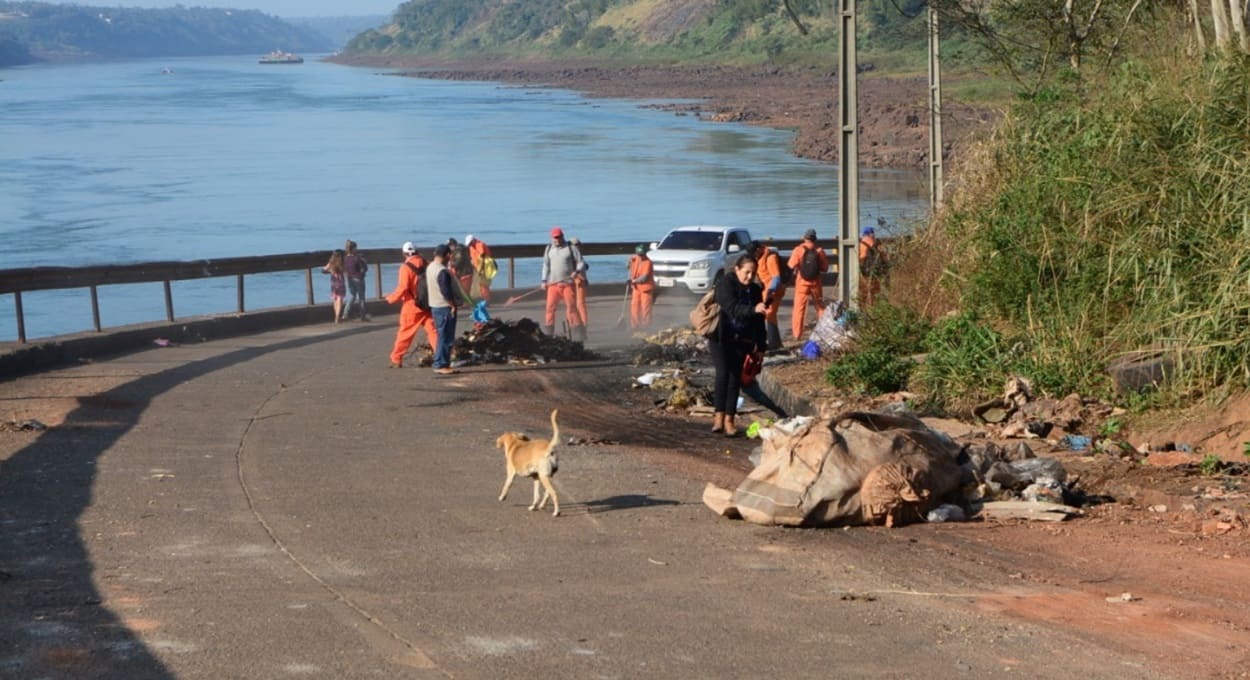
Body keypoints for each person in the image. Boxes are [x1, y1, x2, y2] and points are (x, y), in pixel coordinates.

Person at [710, 253, 767, 437]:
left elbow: (760, 321)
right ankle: (718, 416)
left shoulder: (755, 290)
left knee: (735, 378)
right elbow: (732, 308)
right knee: (722, 374)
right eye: (746, 272)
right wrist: (753, 309)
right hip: (721, 337)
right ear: (737, 269)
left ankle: (729, 419)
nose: (749, 277)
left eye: (753, 273)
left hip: (742, 339)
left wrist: (761, 346)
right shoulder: (725, 285)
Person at [385, 241, 437, 368]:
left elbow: (403, 288)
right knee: (433, 331)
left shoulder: (405, 267)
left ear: (404, 253)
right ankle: (441, 355)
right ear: (416, 251)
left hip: (411, 306)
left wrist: (390, 298)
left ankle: (396, 359)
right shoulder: (426, 263)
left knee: (405, 333)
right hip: (427, 304)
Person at [540, 227, 588, 342]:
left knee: (572, 308)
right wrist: (543, 280)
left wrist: (576, 271)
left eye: (558, 237)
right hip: (553, 285)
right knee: (549, 309)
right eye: (554, 237)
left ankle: (579, 334)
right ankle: (548, 335)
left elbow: (581, 262)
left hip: (567, 284)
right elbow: (545, 266)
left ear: (562, 236)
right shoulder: (548, 249)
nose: (556, 240)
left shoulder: (571, 248)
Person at [427, 243, 467, 376]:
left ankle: (440, 362)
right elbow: (445, 291)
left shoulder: (430, 267)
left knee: (441, 335)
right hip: (444, 307)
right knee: (446, 337)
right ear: (448, 255)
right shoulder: (442, 271)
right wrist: (452, 305)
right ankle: (441, 364)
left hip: (434, 306)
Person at [787, 228, 830, 341]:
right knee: (820, 307)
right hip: (816, 283)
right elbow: (825, 268)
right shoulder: (820, 251)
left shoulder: (798, 250)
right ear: (815, 239)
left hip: (802, 283)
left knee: (799, 308)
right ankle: (824, 331)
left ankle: (797, 334)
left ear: (804, 238)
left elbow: (790, 266)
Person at [750, 240, 786, 350]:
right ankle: (775, 342)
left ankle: (773, 343)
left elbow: (776, 277)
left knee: (769, 314)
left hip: (774, 291)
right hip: (766, 291)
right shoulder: (760, 257)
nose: (754, 256)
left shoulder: (771, 258)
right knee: (769, 315)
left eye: (754, 253)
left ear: (758, 249)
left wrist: (771, 290)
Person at [627, 244, 655, 330]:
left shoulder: (648, 262)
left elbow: (644, 278)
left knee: (645, 309)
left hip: (646, 289)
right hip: (636, 288)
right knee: (634, 307)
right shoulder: (634, 259)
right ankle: (635, 326)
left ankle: (646, 326)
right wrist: (628, 264)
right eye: (639, 254)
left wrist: (633, 281)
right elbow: (629, 267)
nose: (641, 256)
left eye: (642, 254)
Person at [858, 225, 888, 307]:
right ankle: (874, 308)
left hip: (864, 272)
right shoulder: (876, 244)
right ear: (871, 234)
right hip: (876, 272)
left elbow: (860, 258)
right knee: (875, 292)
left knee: (863, 293)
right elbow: (885, 258)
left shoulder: (861, 245)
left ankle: (863, 310)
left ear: (864, 234)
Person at [343, 239, 369, 321]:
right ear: (353, 248)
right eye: (356, 248)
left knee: (352, 296)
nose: (357, 249)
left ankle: (345, 314)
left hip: (350, 278)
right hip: (358, 278)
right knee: (361, 297)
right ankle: (363, 316)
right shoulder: (357, 258)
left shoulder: (346, 258)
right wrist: (364, 262)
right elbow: (363, 268)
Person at [465, 234, 493, 302]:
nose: (469, 245)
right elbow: (473, 258)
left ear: (473, 240)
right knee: (479, 285)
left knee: (484, 285)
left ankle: (486, 301)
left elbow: (481, 257)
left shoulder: (480, 244)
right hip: (477, 268)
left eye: (470, 243)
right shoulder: (471, 247)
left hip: (485, 268)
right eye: (469, 244)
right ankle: (482, 300)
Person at [569, 238, 590, 329]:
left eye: (578, 245)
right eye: (576, 245)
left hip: (580, 281)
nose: (578, 246)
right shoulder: (572, 255)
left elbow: (583, 267)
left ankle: (583, 323)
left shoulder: (579, 256)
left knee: (580, 304)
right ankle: (573, 323)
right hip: (573, 282)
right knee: (572, 304)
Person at [321, 249, 346, 324]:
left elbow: (323, 270)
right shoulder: (342, 263)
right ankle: (338, 316)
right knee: (340, 300)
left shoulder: (331, 263)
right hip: (341, 283)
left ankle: (336, 316)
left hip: (334, 283)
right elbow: (346, 270)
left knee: (335, 300)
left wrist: (330, 271)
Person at [446, 238, 474, 302]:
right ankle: (465, 302)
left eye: (450, 245)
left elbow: (459, 261)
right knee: (464, 289)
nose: (449, 247)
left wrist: (452, 265)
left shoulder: (459, 250)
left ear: (453, 244)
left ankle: (466, 303)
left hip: (465, 272)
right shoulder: (460, 249)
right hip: (465, 272)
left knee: (464, 290)